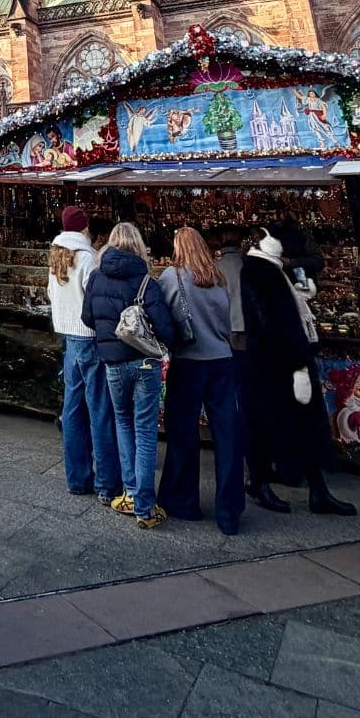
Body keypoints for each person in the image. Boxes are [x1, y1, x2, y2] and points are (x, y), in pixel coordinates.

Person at [240, 227, 355, 516]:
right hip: (276, 363)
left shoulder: (275, 270)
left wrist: (302, 295)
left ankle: (316, 488)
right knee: (270, 423)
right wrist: (295, 361)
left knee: (303, 423)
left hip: (286, 359)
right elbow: (271, 321)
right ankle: (261, 481)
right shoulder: (258, 270)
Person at [82, 221, 176, 528]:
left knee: (122, 423)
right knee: (146, 431)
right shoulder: (145, 281)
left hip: (112, 364)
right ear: (138, 245)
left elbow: (88, 317)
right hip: (145, 363)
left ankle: (131, 492)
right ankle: (145, 508)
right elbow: (165, 328)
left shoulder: (96, 277)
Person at [156, 227, 245, 534]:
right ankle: (229, 510)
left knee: (183, 434)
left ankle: (182, 500)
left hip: (189, 361)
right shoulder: (218, 277)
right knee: (228, 437)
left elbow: (162, 317)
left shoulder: (172, 276)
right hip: (222, 360)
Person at [46, 206, 119, 503]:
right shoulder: (87, 257)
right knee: (100, 410)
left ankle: (77, 479)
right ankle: (105, 483)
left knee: (73, 410)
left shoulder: (56, 255)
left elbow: (52, 295)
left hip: (69, 338)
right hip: (89, 338)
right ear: (84, 228)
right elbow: (95, 297)